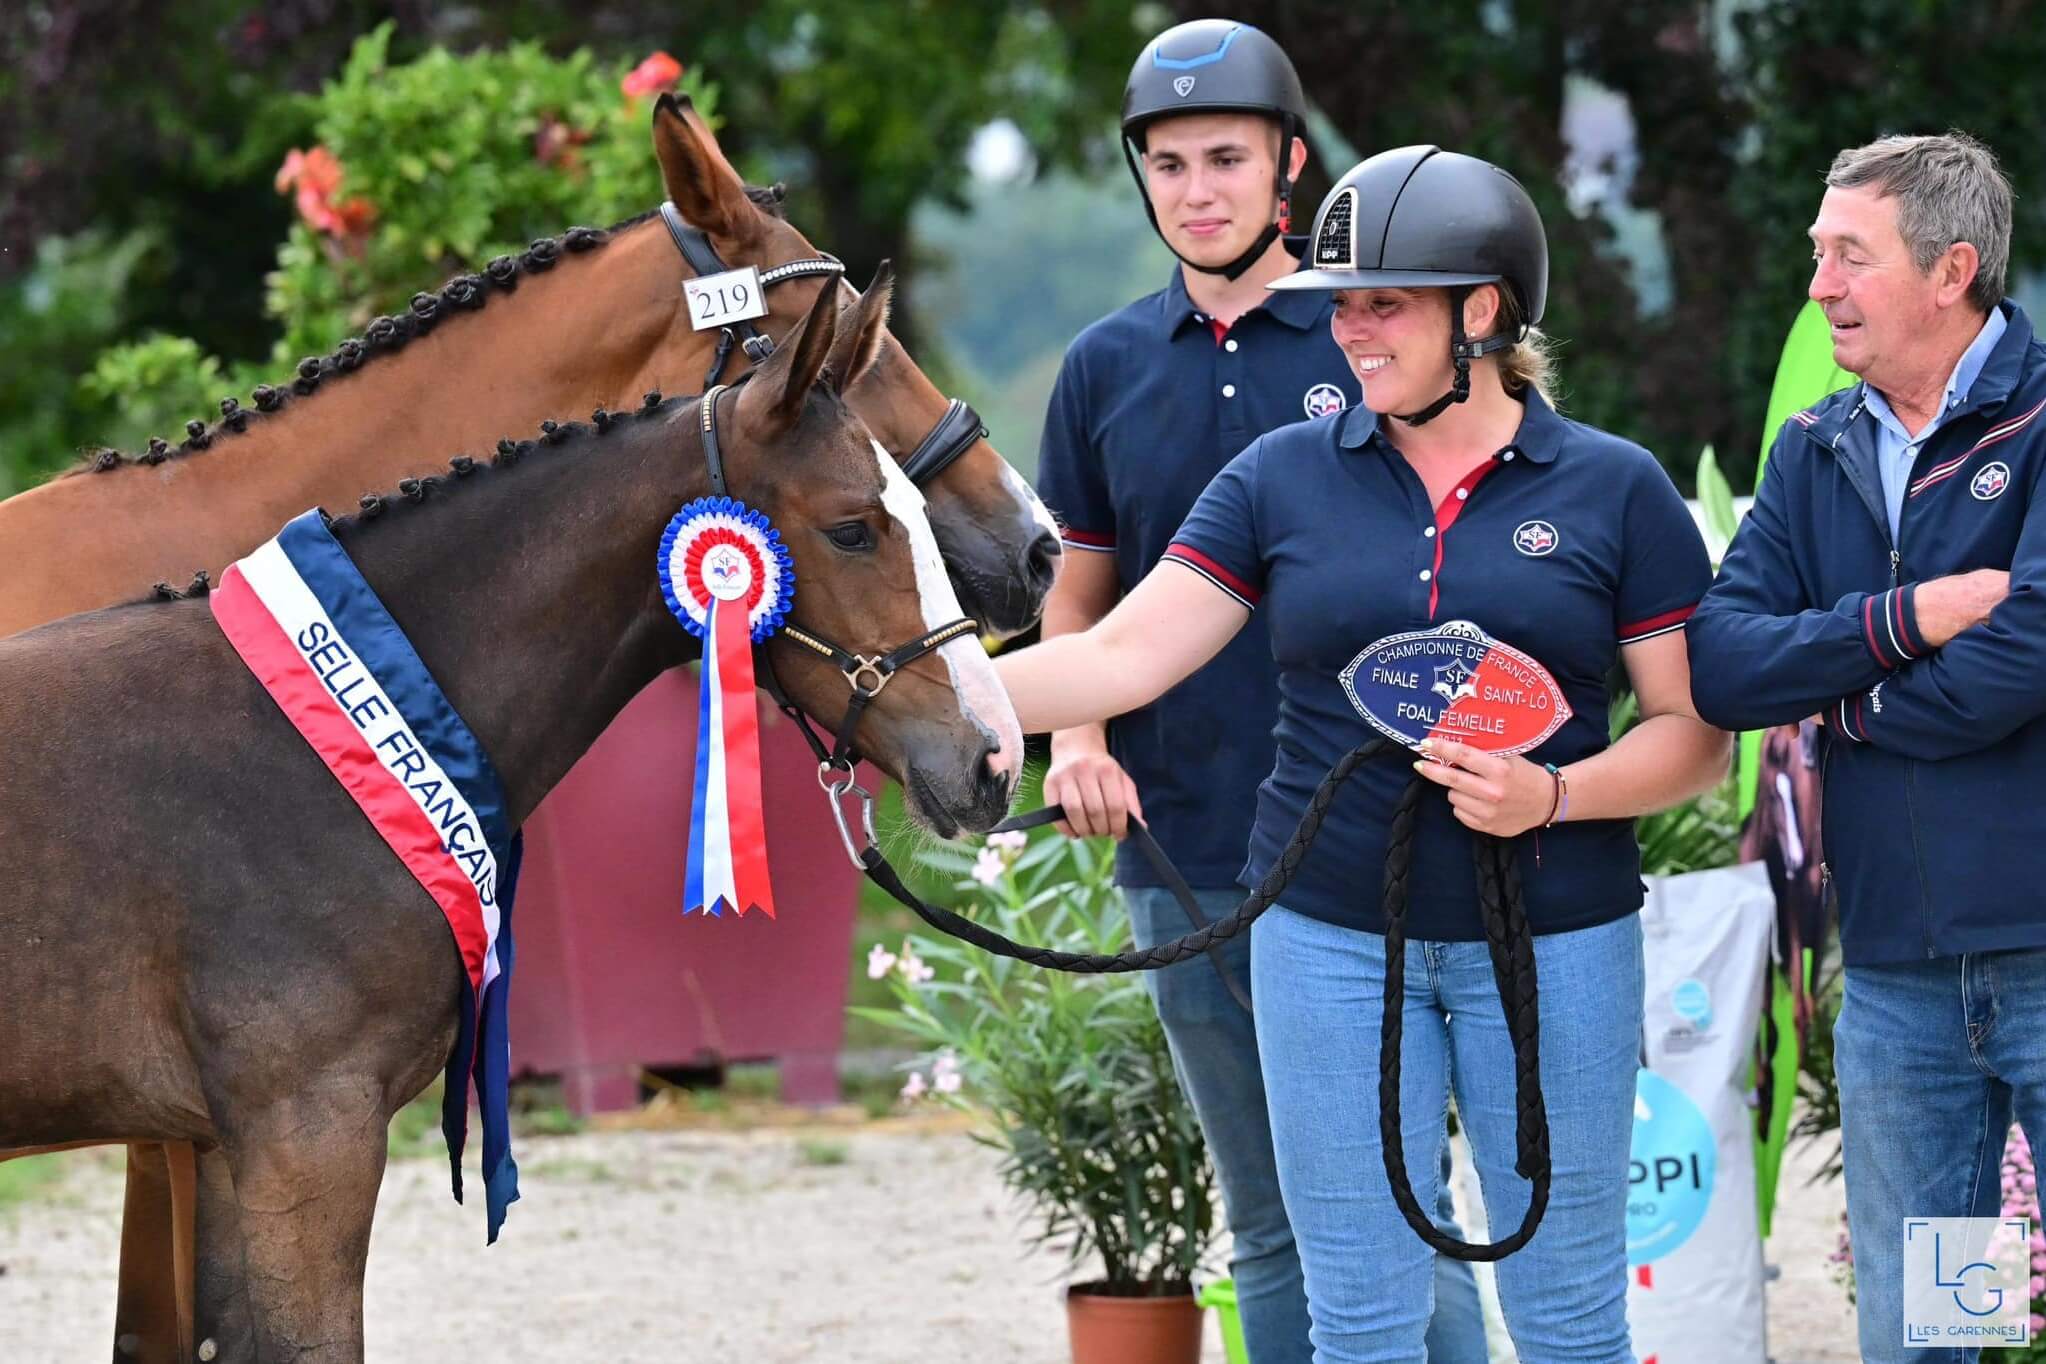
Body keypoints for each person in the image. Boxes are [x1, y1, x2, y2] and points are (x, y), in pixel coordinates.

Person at [1007, 144, 1730, 1363]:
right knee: (1362, 1321)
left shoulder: (1618, 488)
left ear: (1483, 310)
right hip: (1329, 938)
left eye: (1382, 301)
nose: (1349, 330)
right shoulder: (1279, 477)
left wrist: (1555, 792)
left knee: (1566, 1320)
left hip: (1556, 941)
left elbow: (1695, 739)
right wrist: (924, 695)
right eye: (1341, 302)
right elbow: (1126, 655)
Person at [1033, 21, 1484, 1362]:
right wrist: (1073, 731)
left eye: (1223, 157)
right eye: (1166, 164)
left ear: (1288, 160)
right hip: (1180, 842)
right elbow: (1081, 593)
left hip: (1368, 847)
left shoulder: (1370, 339)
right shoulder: (1102, 366)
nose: (1196, 189)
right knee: (1268, 1216)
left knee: (1398, 1201)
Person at [1689, 130, 2046, 1362]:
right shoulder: (1815, 445)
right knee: (1938, 1327)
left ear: (1953, 271)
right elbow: (1725, 663)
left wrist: (1836, 699)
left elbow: (2019, 669)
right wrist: (1907, 620)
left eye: (1850, 255)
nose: (1819, 285)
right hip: (1900, 979)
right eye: (1816, 253)